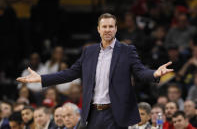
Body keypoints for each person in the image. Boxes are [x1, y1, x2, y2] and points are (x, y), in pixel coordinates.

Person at [17, 13, 173, 129]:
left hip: (116, 112)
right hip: (93, 113)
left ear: (116, 29)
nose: (107, 29)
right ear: (98, 29)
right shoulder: (89, 51)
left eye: (111, 26)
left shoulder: (127, 51)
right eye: (104, 26)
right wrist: (42, 78)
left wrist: (154, 74)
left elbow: (140, 72)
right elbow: (71, 73)